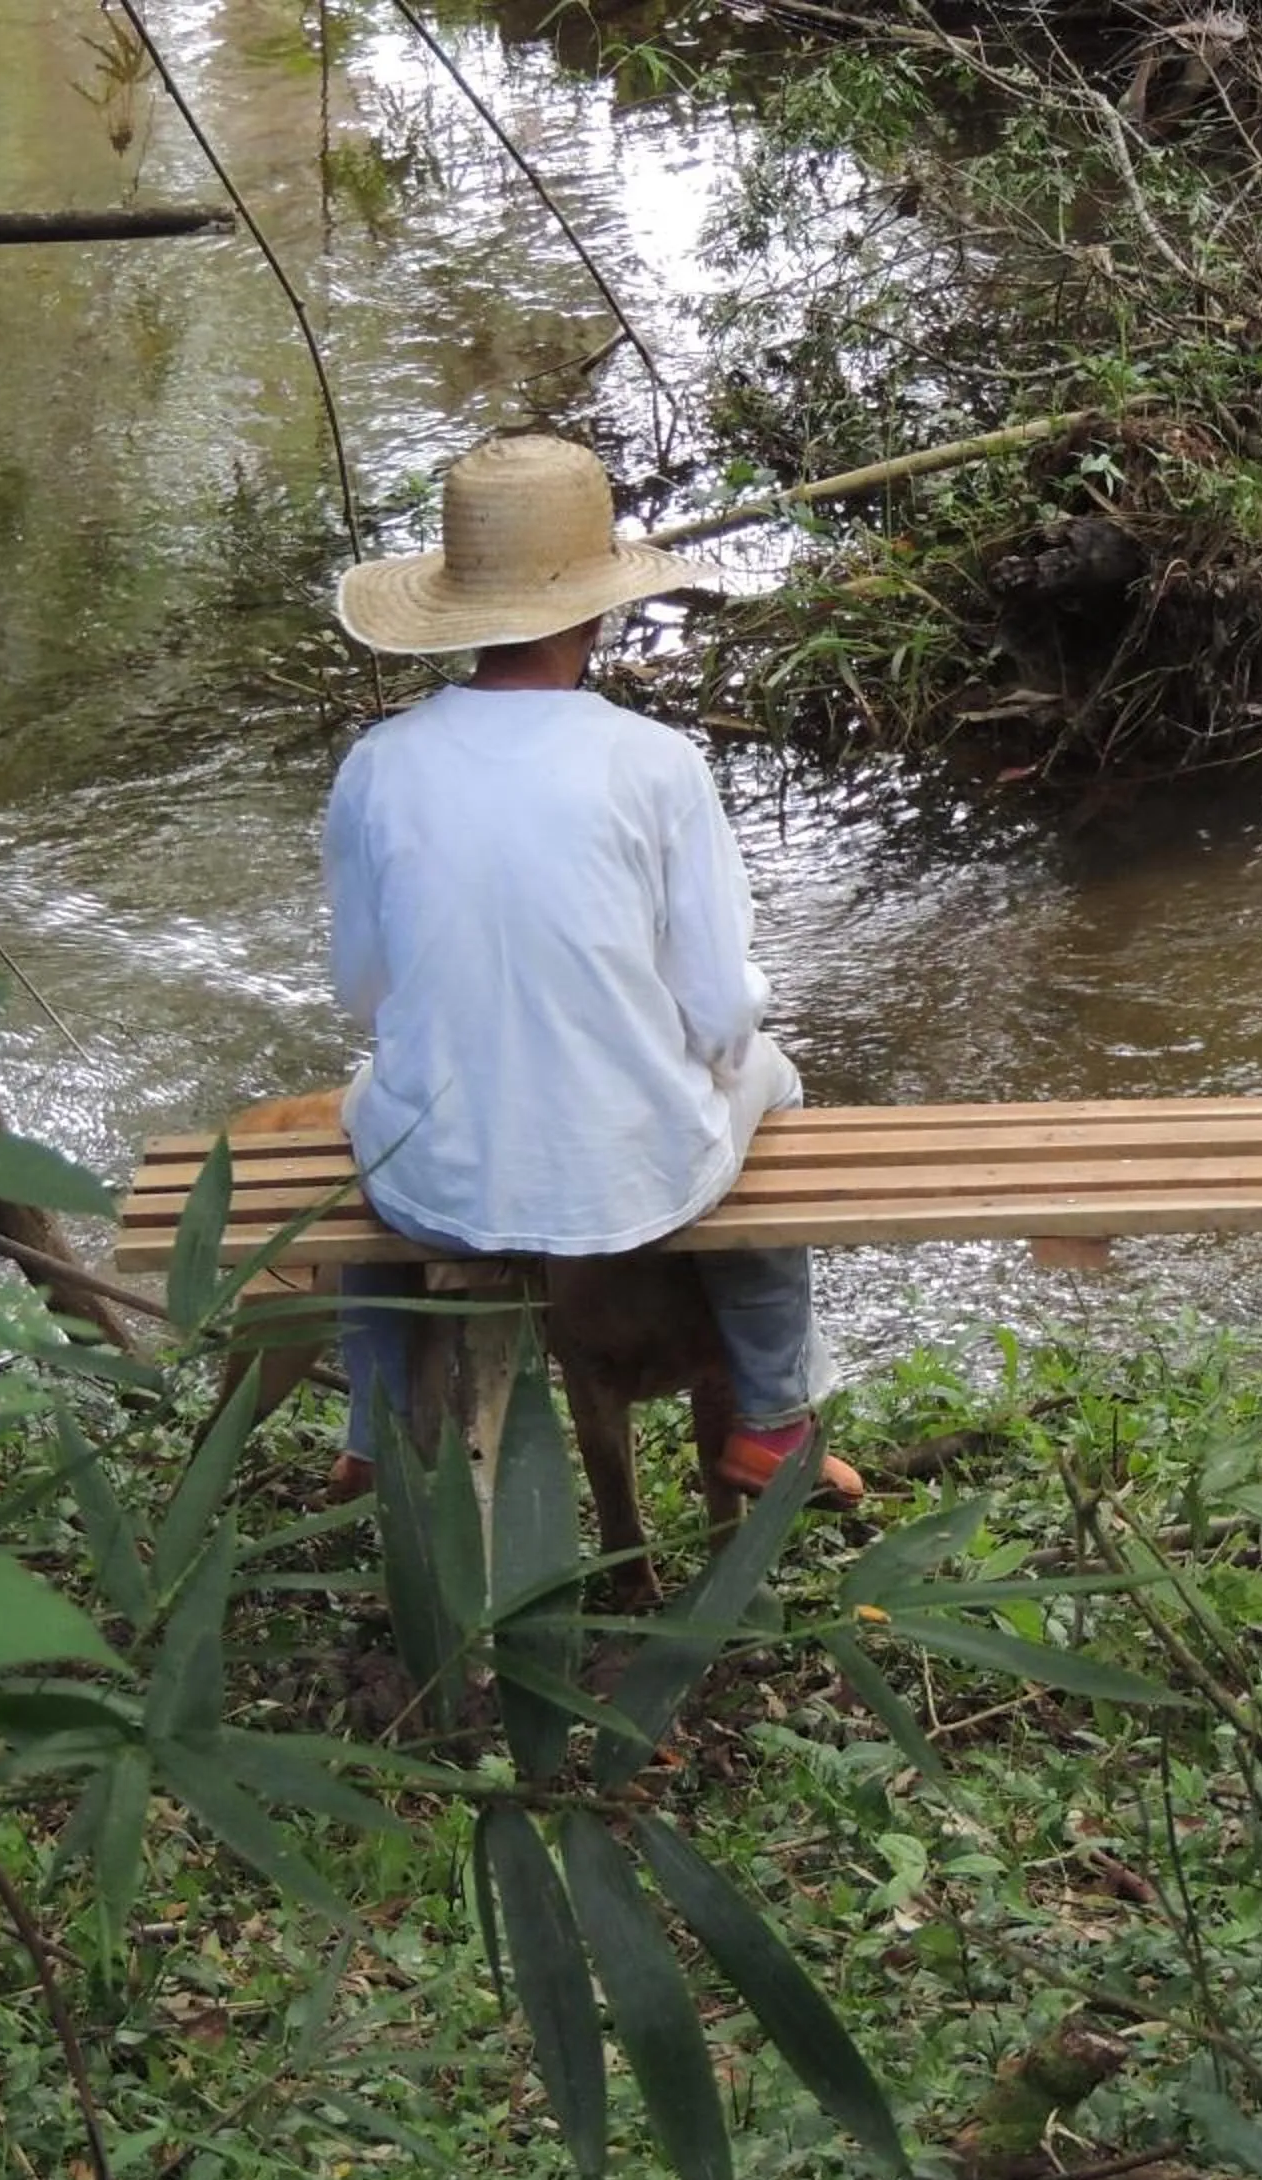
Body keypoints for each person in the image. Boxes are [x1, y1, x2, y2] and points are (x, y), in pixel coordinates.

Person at [319, 433, 861, 1505]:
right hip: (635, 1189)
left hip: (442, 1190)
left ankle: (376, 1424)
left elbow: (366, 995)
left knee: (366, 1112)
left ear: (457, 612)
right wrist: (712, 1041)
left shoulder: (378, 765)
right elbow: (716, 1009)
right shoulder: (654, 762)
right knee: (776, 1077)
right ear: (596, 612)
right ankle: (772, 1413)